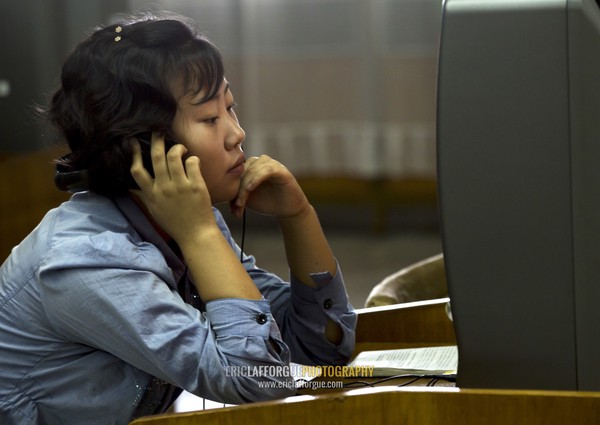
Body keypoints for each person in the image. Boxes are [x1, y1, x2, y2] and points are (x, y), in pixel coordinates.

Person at [0, 12, 356, 425]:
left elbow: (316, 348)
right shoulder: (84, 260)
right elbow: (260, 379)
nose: (236, 134)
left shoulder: (180, 218)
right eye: (209, 118)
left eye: (230, 108)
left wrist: (299, 216)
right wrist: (201, 233)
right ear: (146, 147)